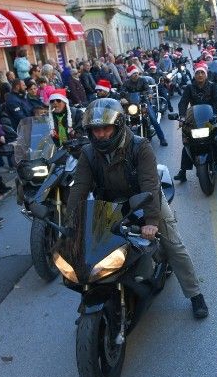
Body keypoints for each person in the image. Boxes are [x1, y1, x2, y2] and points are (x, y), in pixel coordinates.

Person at [66, 98, 209, 318]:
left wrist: (151, 222)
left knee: (172, 243)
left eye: (105, 128)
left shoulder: (139, 146)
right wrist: (72, 223)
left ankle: (195, 294)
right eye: (96, 130)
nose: (101, 134)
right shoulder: (88, 153)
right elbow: (79, 189)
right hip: (110, 203)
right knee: (95, 248)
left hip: (146, 198)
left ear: (119, 125)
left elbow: (150, 185)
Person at [120, 65, 168, 146]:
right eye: (134, 74)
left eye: (136, 73)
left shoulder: (143, 80)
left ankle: (162, 138)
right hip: (132, 105)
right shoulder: (127, 83)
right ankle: (123, 143)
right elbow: (122, 91)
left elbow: (148, 88)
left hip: (143, 102)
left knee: (153, 119)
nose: (136, 75)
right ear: (130, 75)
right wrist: (122, 98)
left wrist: (149, 94)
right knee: (123, 120)